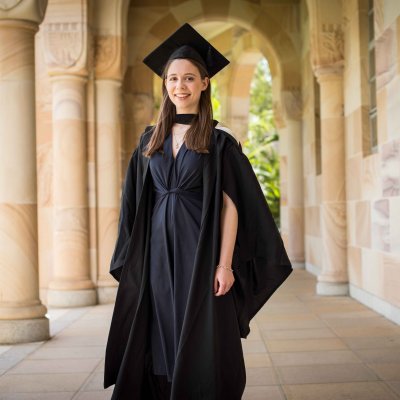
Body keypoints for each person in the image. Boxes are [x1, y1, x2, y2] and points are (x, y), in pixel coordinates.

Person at [104, 23, 292, 400]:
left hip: (200, 250)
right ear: (165, 85)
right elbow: (134, 204)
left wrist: (225, 265)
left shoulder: (219, 143)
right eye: (173, 79)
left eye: (189, 78)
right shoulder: (149, 140)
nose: (180, 86)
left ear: (204, 83)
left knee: (200, 327)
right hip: (157, 252)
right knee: (160, 327)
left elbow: (231, 207)